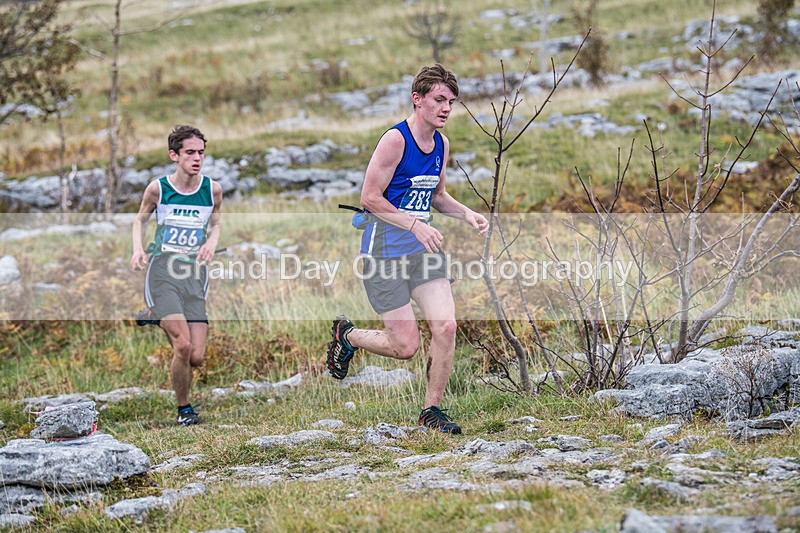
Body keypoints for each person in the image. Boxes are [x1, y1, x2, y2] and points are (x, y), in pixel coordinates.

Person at [327, 64, 489, 434]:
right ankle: (347, 336)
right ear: (417, 100)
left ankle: (431, 411)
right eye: (439, 99)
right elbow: (369, 197)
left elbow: (437, 195)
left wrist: (467, 214)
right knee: (405, 347)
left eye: (451, 101)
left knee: (446, 326)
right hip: (383, 255)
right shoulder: (395, 140)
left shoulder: (442, 144)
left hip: (422, 253)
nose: (446, 107)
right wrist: (414, 224)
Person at [131, 125, 222, 426]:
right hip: (163, 272)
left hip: (194, 277)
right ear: (174, 155)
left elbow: (217, 225)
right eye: (190, 153)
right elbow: (139, 220)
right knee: (181, 346)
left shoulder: (212, 190)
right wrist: (137, 249)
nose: (197, 158)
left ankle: (157, 315)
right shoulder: (158, 189)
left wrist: (210, 242)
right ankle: (184, 409)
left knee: (195, 356)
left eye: (201, 153)